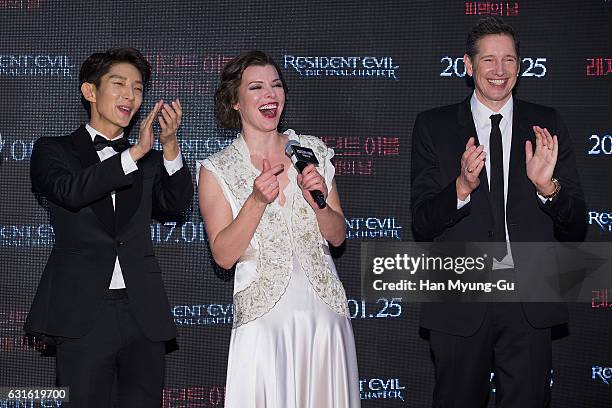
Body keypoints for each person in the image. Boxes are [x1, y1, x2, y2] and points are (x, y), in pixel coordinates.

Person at [410, 18, 586, 407]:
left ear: (520, 66)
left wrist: (547, 188)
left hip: (529, 301)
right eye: (489, 60)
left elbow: (577, 225)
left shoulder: (548, 125)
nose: (500, 70)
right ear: (468, 66)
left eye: (509, 59)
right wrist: (460, 188)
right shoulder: (433, 126)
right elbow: (422, 222)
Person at [25, 47, 194, 407]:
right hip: (83, 312)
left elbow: (175, 207)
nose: (130, 96)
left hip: (143, 312)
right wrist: (133, 154)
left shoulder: (147, 161)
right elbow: (70, 192)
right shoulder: (53, 150)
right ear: (90, 91)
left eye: (137, 88)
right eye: (119, 84)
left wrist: (169, 146)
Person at [197, 50, 360, 408]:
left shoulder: (312, 151)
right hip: (264, 324)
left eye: (276, 85)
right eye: (256, 87)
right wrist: (255, 200)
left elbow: (337, 235)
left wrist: (317, 198)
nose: (270, 94)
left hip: (323, 319)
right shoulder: (216, 170)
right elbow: (224, 255)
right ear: (235, 101)